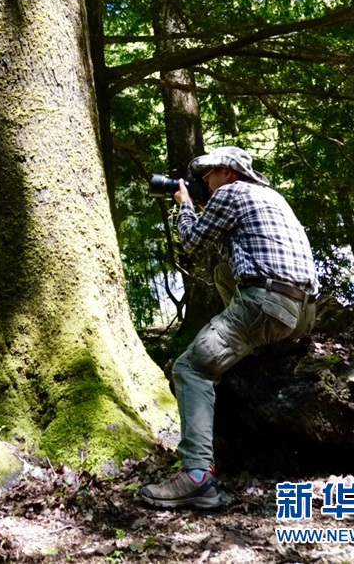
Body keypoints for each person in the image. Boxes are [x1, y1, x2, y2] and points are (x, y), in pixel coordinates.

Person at [141, 145, 318, 511]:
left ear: (229, 173)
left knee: (190, 367)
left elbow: (191, 242)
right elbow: (234, 253)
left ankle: (196, 476)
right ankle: (260, 350)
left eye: (209, 174)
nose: (205, 182)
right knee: (224, 273)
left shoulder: (231, 192)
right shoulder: (270, 197)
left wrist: (185, 203)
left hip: (267, 305)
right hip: (302, 313)